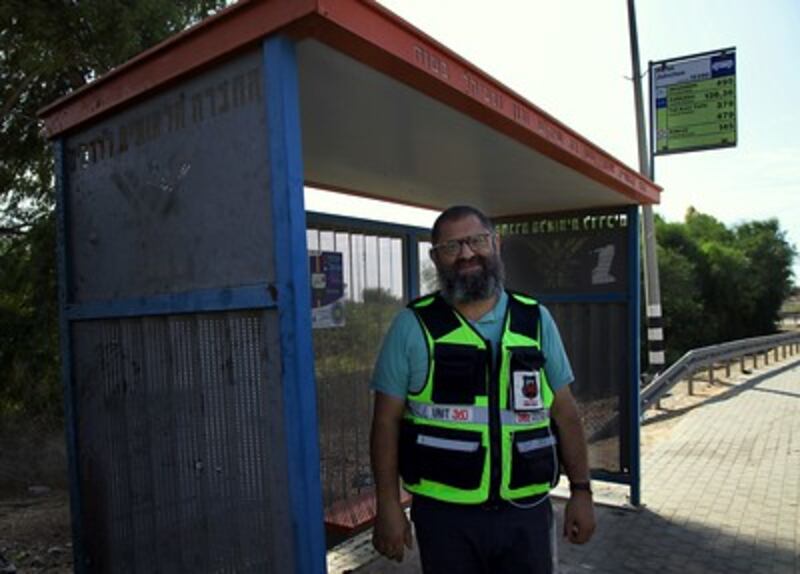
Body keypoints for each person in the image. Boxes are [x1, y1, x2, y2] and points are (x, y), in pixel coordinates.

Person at [369, 205, 595, 573]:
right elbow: (385, 422)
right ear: (435, 257)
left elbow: (566, 414)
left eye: (476, 241)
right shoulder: (412, 326)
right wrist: (388, 505)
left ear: (496, 243)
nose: (467, 254)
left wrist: (582, 492)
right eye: (452, 246)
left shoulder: (535, 319)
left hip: (527, 513)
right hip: (444, 519)